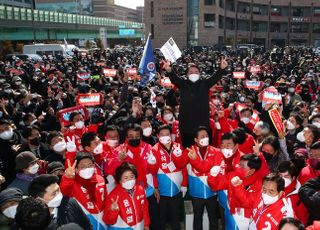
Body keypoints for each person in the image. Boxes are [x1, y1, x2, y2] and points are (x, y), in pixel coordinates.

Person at [162, 58, 228, 148]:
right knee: (189, 152)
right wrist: (169, 70)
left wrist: (221, 69)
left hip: (203, 125)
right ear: (187, 74)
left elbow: (215, 77)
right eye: (191, 72)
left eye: (196, 71)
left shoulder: (205, 84)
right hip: (186, 126)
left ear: (199, 74)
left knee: (204, 150)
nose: (193, 73)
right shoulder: (183, 84)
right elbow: (174, 79)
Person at [172, 126, 223, 230]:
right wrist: (176, 155)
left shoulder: (216, 151)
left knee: (213, 218)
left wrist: (195, 160)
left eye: (206, 136)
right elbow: (180, 164)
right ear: (195, 139)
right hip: (196, 192)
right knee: (197, 217)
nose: (205, 138)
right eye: (202, 136)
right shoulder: (189, 151)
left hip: (212, 191)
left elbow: (204, 168)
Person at [208, 153, 268, 229]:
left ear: (251, 171)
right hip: (231, 215)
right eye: (239, 165)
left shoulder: (260, 184)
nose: (238, 168)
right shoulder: (232, 175)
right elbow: (216, 186)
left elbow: (247, 202)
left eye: (242, 166)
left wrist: (237, 187)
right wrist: (212, 176)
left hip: (248, 220)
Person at [148, 124, 186, 230]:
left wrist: (184, 184)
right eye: (162, 134)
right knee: (162, 218)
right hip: (162, 191)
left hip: (176, 189)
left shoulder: (178, 146)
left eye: (167, 134)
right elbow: (153, 172)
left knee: (176, 217)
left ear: (171, 135)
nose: (165, 136)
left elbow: (182, 166)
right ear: (158, 136)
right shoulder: (154, 149)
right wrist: (155, 187)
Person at [60, 152, 107, 230]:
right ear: (77, 170)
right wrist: (67, 178)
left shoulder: (100, 179)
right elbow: (64, 191)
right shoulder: (72, 183)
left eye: (90, 165)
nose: (87, 168)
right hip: (85, 222)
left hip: (102, 222)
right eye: (83, 167)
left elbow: (105, 199)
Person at [28, 174, 92, 229]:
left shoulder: (70, 203)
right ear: (39, 199)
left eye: (58, 190)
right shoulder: (35, 220)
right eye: (53, 193)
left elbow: (87, 225)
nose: (58, 195)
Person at [103, 162, 150, 230]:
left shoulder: (140, 190)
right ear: (120, 180)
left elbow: (145, 209)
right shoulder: (113, 196)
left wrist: (146, 224)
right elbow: (108, 221)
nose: (130, 180)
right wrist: (113, 211)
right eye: (126, 178)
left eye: (132, 177)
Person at [278, 161, 308, 225]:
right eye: (280, 175)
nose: (282, 179)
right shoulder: (276, 185)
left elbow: (301, 222)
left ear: (293, 178)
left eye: (286, 176)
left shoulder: (300, 196)